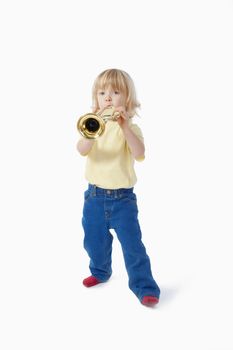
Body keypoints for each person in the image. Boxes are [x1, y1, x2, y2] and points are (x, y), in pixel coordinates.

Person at [76, 68, 160, 306]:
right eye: (102, 92)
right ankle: (100, 271)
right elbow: (81, 150)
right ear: (96, 98)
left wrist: (123, 126)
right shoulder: (93, 126)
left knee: (133, 247)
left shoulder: (131, 129)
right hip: (93, 197)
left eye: (115, 92)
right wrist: (94, 129)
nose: (108, 97)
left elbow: (140, 153)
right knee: (94, 241)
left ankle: (145, 287)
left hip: (122, 200)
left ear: (128, 99)